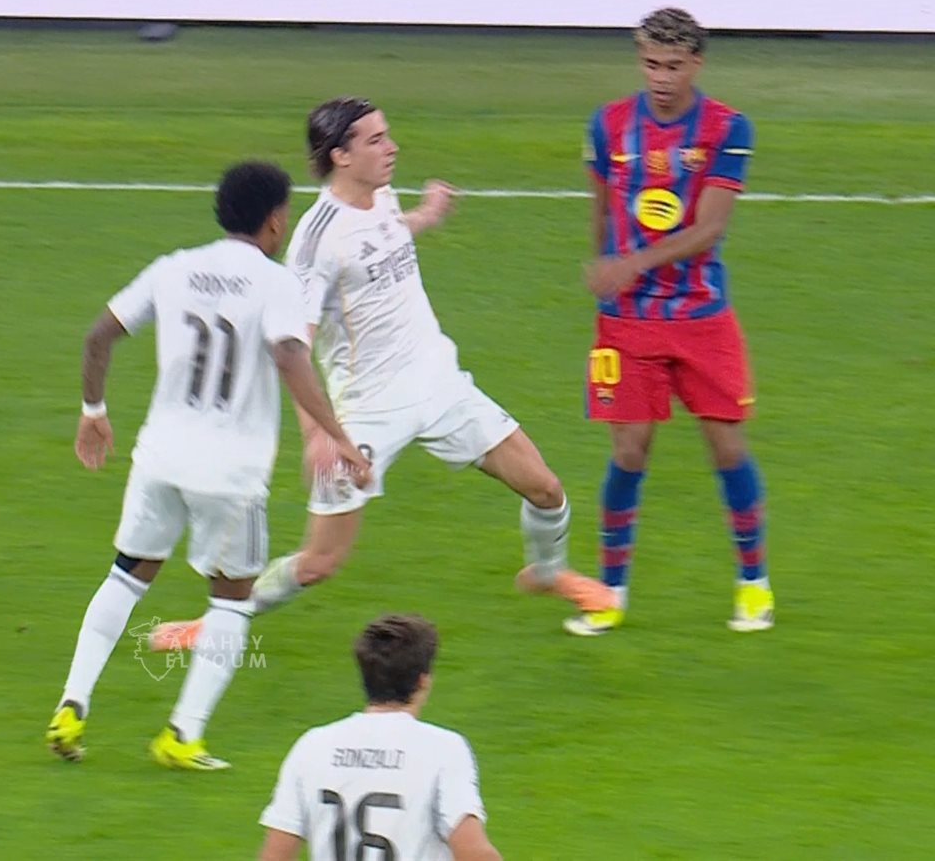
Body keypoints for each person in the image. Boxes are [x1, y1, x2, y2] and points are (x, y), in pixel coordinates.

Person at [148, 97, 614, 654]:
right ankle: (215, 623)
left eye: (387, 135)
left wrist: (426, 216)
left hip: (440, 385)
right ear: (340, 156)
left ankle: (547, 572)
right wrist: (318, 435)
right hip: (367, 411)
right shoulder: (316, 238)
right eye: (376, 140)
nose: (392, 148)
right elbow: (293, 345)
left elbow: (385, 234)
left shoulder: (381, 194)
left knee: (546, 489)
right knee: (320, 561)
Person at [45, 160, 372, 771]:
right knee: (231, 601)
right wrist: (339, 438)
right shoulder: (275, 283)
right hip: (230, 474)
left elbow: (97, 336)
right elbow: (290, 358)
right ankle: (182, 735)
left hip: (160, 457)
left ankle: (71, 705)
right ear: (275, 220)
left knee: (126, 576)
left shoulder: (173, 268)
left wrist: (93, 411)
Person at [567, 7, 774, 636]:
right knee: (628, 452)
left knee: (727, 446)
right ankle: (610, 593)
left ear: (697, 64)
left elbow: (710, 227)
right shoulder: (607, 124)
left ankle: (754, 585)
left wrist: (630, 263)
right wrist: (606, 271)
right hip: (626, 322)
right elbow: (602, 207)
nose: (661, 77)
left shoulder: (727, 128)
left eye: (674, 66)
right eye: (651, 64)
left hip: (701, 316)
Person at [257, 614, 502, 861]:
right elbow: (474, 852)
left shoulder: (313, 745)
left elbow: (274, 856)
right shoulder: (443, 749)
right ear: (423, 681)